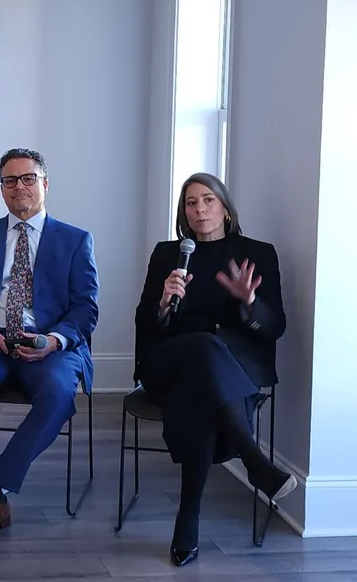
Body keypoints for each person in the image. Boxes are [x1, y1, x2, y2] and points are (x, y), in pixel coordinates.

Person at [0, 148, 99, 544]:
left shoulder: (75, 240)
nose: (19, 187)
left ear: (45, 184)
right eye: (10, 180)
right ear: (1, 189)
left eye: (28, 178)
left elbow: (86, 309)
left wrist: (54, 340)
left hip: (48, 347)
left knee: (60, 394)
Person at [134, 172, 295, 567]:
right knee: (204, 349)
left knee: (203, 392)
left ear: (225, 208)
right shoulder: (167, 255)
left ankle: (187, 517)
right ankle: (251, 457)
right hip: (169, 362)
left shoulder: (258, 253)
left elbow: (275, 326)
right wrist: (163, 302)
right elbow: (143, 321)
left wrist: (250, 304)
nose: (200, 209)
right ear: (183, 213)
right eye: (191, 203)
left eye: (208, 200)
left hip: (231, 370)